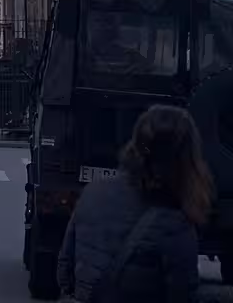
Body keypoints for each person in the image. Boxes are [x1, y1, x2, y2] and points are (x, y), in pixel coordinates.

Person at [56, 104, 213, 302]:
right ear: (188, 158)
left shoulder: (93, 192)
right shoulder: (176, 222)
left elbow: (64, 271)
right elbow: (183, 295)